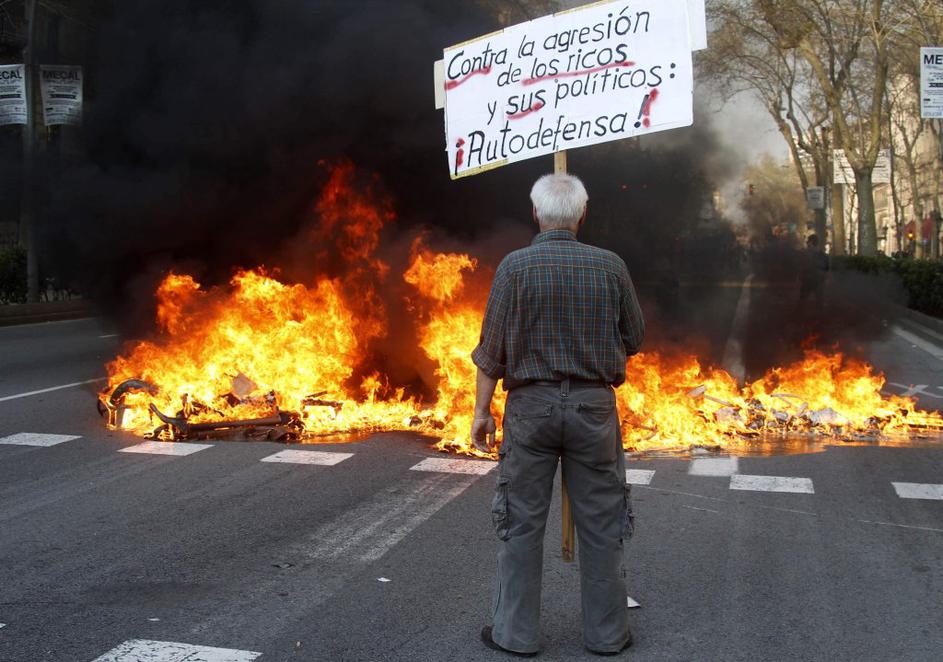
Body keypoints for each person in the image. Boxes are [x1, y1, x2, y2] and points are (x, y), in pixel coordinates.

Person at [470, 173, 645, 656]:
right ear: (582, 215)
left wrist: (482, 412)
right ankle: (608, 636)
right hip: (593, 407)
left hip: (530, 409)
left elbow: (491, 350)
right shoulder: (610, 267)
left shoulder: (514, 268)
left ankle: (515, 636)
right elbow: (634, 336)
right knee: (602, 523)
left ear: (535, 214)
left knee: (522, 522)